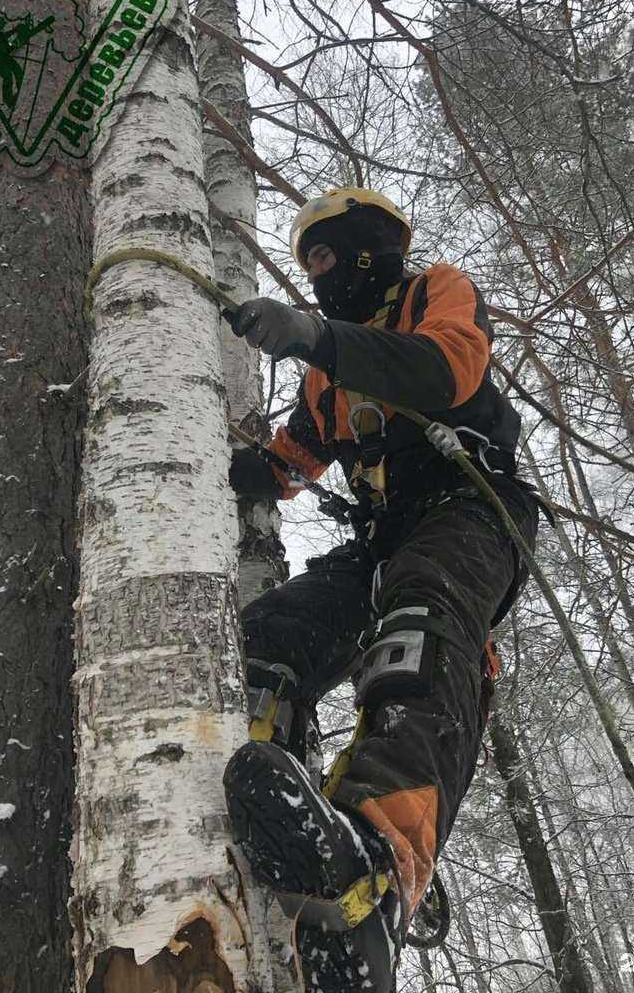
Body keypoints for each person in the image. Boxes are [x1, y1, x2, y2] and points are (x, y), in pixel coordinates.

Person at [223, 187, 545, 992]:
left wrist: (319, 337)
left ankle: (378, 866)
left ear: (368, 245)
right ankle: (253, 775)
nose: (320, 274)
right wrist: (234, 465)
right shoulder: (323, 384)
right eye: (311, 265)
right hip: (382, 532)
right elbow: (296, 457)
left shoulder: (434, 291)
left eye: (326, 256)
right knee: (265, 637)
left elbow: (448, 368)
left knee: (414, 638)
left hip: (470, 505)